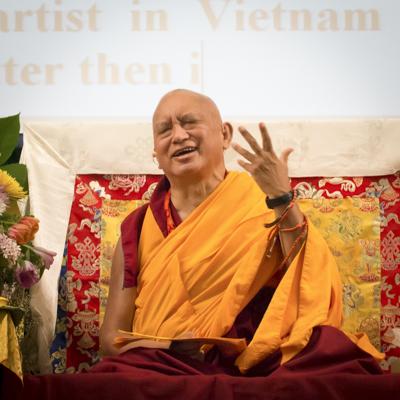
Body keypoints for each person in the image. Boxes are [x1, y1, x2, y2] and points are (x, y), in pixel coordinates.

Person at [7, 89, 400, 400]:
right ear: (156, 154)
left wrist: (282, 197)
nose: (178, 134)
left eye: (190, 122)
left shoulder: (262, 200)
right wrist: (174, 345)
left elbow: (309, 275)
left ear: (224, 134)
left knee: (339, 371)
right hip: (165, 366)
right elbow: (112, 342)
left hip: (260, 360)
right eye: (165, 129)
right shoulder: (137, 226)